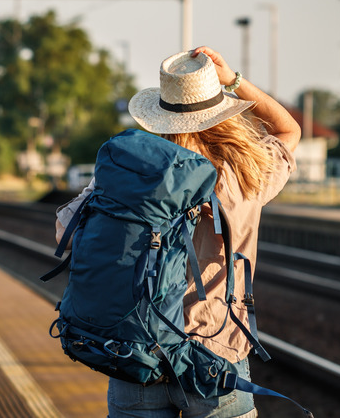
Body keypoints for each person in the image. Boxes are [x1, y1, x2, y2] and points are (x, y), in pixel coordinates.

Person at [54, 46, 301, 418]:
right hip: (214, 356)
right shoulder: (247, 171)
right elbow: (287, 128)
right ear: (222, 110)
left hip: (134, 352)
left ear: (159, 117)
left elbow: (64, 234)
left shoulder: (130, 175)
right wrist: (233, 80)